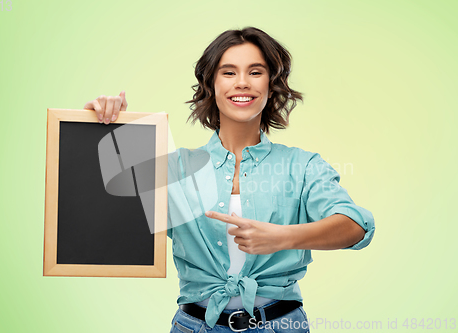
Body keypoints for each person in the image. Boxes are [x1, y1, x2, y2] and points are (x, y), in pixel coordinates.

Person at [83, 26, 375, 333]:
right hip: (194, 326)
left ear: (271, 84)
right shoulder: (175, 168)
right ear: (211, 84)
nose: (243, 83)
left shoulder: (302, 166)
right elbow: (103, 215)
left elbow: (357, 226)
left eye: (256, 72)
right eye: (229, 72)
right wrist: (108, 129)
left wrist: (282, 237)